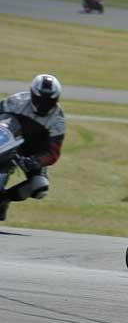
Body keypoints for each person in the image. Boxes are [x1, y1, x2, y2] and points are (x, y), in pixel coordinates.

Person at [0, 74, 65, 221]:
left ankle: (4, 199)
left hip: (31, 153)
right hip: (7, 140)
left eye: (49, 101)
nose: (44, 104)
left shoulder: (58, 120)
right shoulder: (16, 101)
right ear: (33, 94)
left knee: (40, 187)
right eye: (40, 100)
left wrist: (36, 161)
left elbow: (53, 152)